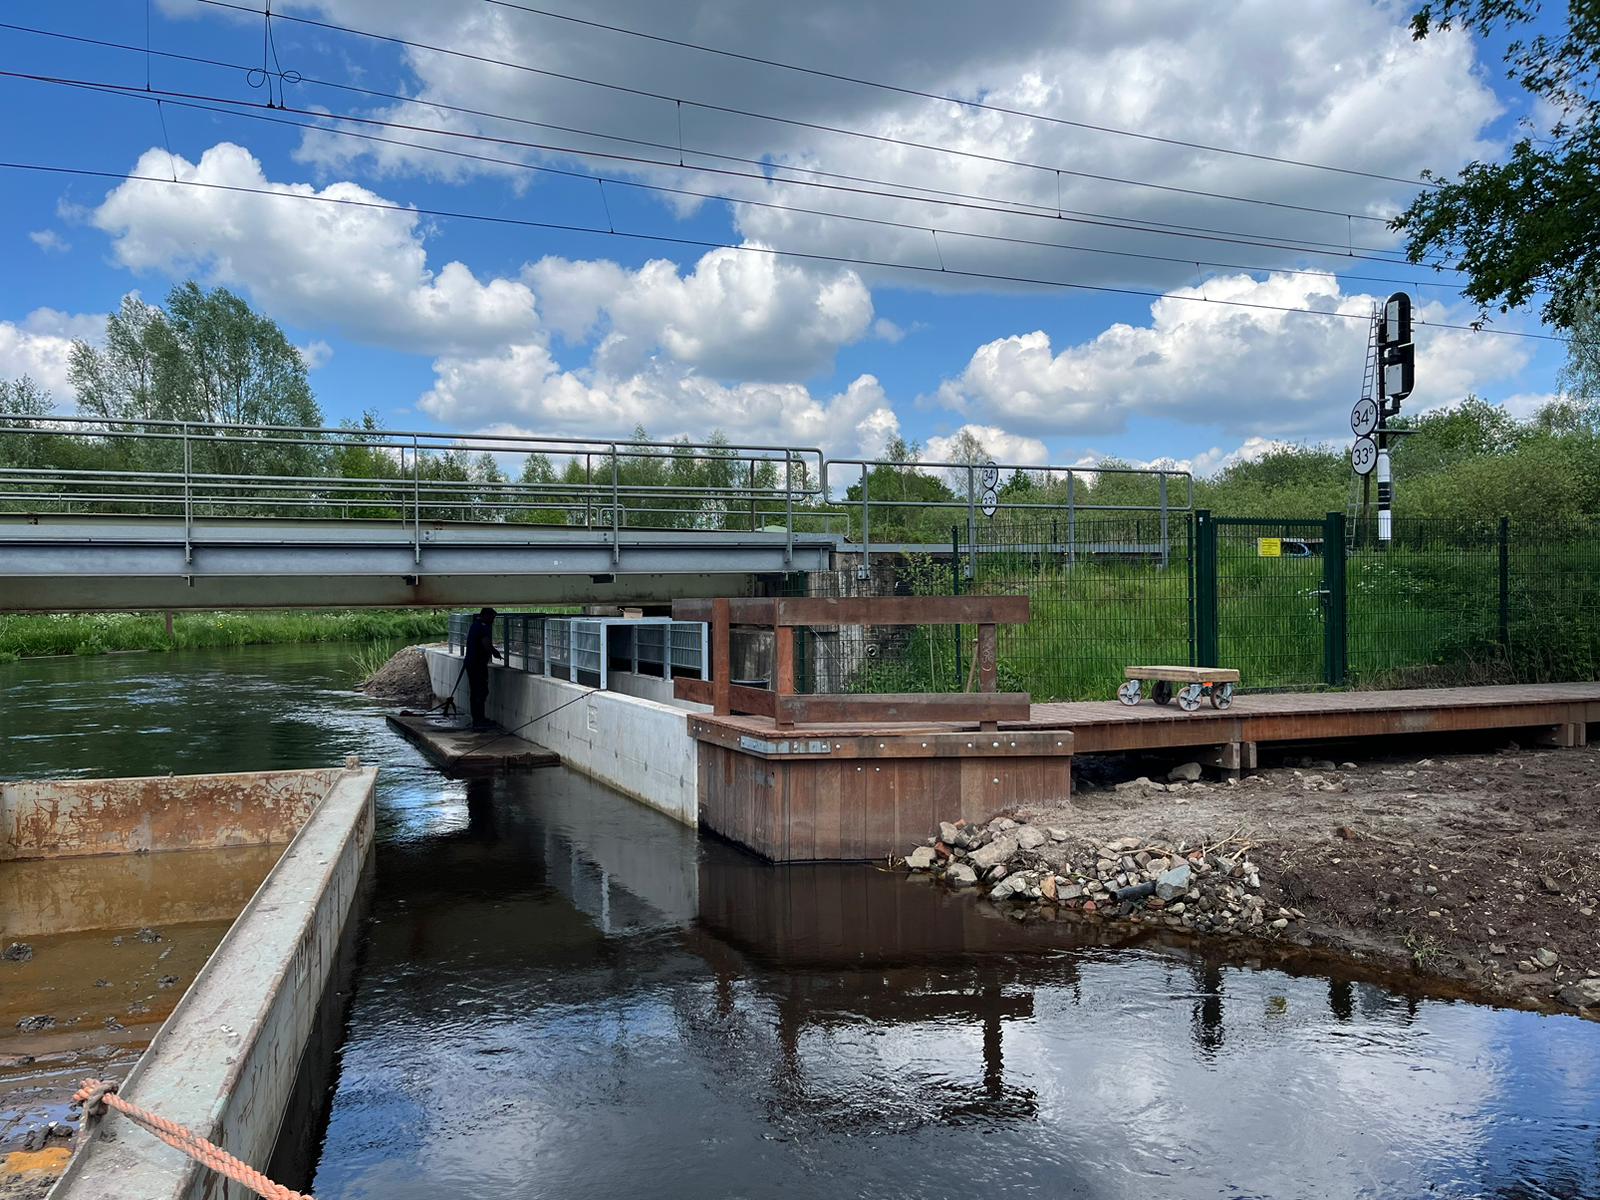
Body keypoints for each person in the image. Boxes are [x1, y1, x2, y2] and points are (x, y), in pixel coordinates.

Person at [463, 606, 504, 729]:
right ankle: (479, 720)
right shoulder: (482, 627)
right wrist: (495, 652)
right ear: (486, 616)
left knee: (476, 691)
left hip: (472, 663)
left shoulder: (476, 625)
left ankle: (478, 718)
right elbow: (485, 643)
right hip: (477, 664)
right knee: (480, 691)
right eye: (492, 618)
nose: (493, 620)